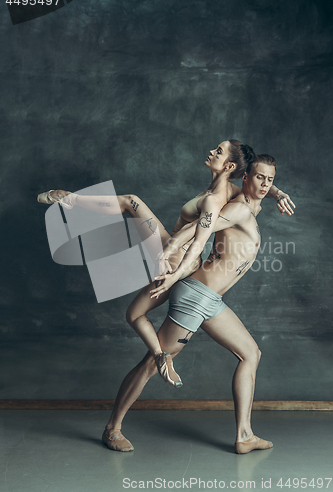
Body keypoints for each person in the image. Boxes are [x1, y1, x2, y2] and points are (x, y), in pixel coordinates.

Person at [37, 141, 294, 388]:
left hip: (176, 257)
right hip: (179, 259)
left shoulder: (217, 199)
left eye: (218, 151)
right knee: (134, 314)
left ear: (228, 166)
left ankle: (70, 199)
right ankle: (161, 355)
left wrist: (172, 263)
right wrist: (278, 192)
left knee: (132, 202)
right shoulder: (232, 191)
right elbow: (258, 185)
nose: (211, 152)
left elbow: (197, 237)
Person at [101, 153, 291, 454]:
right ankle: (112, 429)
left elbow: (264, 185)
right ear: (245, 178)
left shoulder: (250, 203)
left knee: (251, 354)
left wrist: (279, 192)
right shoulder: (240, 208)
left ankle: (244, 436)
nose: (266, 184)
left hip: (212, 300)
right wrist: (175, 245)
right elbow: (205, 224)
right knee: (152, 363)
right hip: (195, 296)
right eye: (260, 178)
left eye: (270, 179)